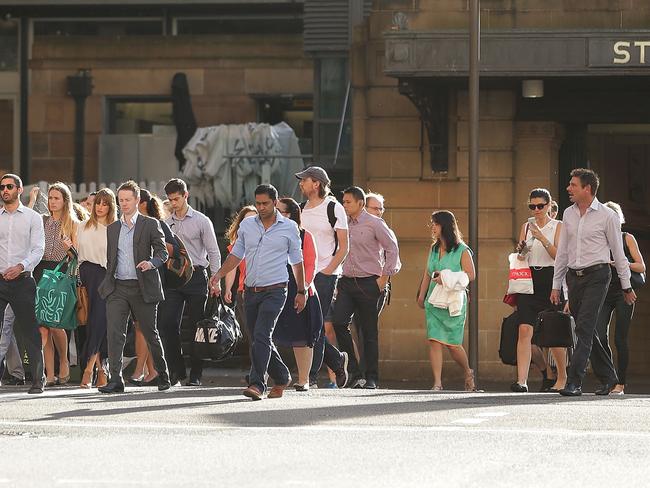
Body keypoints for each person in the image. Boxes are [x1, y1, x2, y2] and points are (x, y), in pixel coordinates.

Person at [209, 184, 306, 401]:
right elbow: (236, 255)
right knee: (258, 339)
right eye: (258, 203)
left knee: (262, 335)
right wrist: (217, 275)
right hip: (251, 291)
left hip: (276, 289)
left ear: (275, 202)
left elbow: (297, 263)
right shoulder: (247, 226)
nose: (261, 207)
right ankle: (282, 376)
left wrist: (302, 290)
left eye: (265, 203)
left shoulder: (289, 228)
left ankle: (257, 384)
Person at [551, 168, 635, 397]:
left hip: (598, 277)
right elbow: (563, 252)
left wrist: (626, 286)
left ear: (587, 189)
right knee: (585, 329)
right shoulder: (568, 214)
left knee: (585, 328)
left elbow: (619, 253)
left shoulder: (607, 216)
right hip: (573, 277)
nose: (568, 188)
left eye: (573, 185)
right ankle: (609, 377)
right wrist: (556, 284)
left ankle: (574, 381)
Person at [98, 180, 171, 393]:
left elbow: (163, 253)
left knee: (150, 332)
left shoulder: (150, 224)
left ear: (137, 200)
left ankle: (163, 374)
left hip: (142, 287)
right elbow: (112, 258)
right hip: (117, 287)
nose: (124, 204)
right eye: (121, 200)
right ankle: (115, 379)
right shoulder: (112, 228)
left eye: (128, 200)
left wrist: (152, 263)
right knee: (115, 334)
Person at [332, 186, 401, 389]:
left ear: (360, 204)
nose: (344, 205)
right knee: (338, 322)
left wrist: (384, 278)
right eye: (343, 202)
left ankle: (371, 377)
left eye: (348, 202)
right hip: (346, 282)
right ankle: (353, 369)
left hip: (369, 283)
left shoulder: (374, 223)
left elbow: (392, 247)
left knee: (368, 332)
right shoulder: (342, 223)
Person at [161, 178, 221, 386]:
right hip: (174, 278)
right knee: (167, 323)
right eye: (170, 200)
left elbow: (213, 251)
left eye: (176, 199)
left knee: (198, 326)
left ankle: (196, 373)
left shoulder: (202, 220)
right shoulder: (166, 223)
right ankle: (176, 371)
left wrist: (216, 279)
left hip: (196, 275)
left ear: (186, 195)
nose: (173, 203)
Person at [296, 166, 350, 388]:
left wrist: (328, 271)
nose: (301, 183)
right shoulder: (301, 209)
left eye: (304, 180)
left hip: (324, 275)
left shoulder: (333, 207)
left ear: (316, 183)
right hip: (304, 274)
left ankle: (310, 377)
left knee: (314, 324)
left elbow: (344, 246)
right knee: (307, 326)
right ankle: (337, 361)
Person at [510, 188, 566, 393]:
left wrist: (542, 237)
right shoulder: (526, 227)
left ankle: (562, 376)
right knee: (524, 328)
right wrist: (523, 248)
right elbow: (522, 257)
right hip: (528, 278)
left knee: (553, 330)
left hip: (551, 277)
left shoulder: (558, 226)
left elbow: (559, 256)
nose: (536, 210)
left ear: (549, 205)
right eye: (532, 206)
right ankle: (522, 380)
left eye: (540, 206)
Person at [416, 210, 476, 391]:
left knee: (453, 344)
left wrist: (447, 278)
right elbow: (428, 273)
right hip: (434, 299)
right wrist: (421, 295)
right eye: (432, 223)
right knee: (434, 339)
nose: (432, 227)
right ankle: (437, 383)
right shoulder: (433, 249)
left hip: (453, 301)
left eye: (435, 223)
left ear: (446, 226)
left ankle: (467, 372)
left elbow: (471, 275)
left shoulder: (462, 250)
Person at [0, 173, 46, 394]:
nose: (5, 190)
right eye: (2, 187)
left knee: (30, 331)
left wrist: (21, 266)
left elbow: (39, 249)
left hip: (23, 280)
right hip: (0, 281)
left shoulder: (32, 217)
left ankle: (38, 379)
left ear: (19, 190)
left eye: (9, 186)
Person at [594, 202, 645, 396]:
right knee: (598, 334)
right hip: (604, 293)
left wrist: (621, 263)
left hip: (625, 291)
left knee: (620, 339)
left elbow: (641, 267)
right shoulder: (598, 240)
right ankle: (610, 378)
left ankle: (621, 383)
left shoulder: (627, 238)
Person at [273, 198, 322, 391]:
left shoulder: (305, 235)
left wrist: (304, 288)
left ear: (291, 214)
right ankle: (262, 377)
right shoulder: (269, 233)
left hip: (299, 288)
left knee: (302, 337)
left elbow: (310, 263)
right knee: (267, 334)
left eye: (279, 211)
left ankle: (304, 380)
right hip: (274, 285)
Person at [128, 189, 175, 386]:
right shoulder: (128, 224)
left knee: (146, 328)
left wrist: (150, 247)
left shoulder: (156, 223)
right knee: (140, 327)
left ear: (143, 203)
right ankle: (151, 371)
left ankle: (142, 370)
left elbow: (170, 249)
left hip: (151, 280)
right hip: (133, 280)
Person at [37, 182, 79, 386]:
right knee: (43, 325)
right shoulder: (42, 221)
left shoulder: (73, 223)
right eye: (50, 198)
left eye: (56, 198)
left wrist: (69, 248)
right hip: (41, 272)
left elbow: (78, 256)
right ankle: (49, 373)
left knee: (56, 324)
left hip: (62, 272)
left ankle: (64, 360)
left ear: (65, 201)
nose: (52, 202)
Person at [76, 188, 117, 388]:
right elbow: (76, 255)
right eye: (97, 203)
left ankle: (89, 368)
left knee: (99, 321)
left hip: (105, 276)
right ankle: (101, 370)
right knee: (90, 322)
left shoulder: (115, 228)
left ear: (111, 206)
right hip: (84, 275)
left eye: (104, 203)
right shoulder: (82, 226)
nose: (100, 207)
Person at [223, 205, 257, 340]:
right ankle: (256, 361)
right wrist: (228, 289)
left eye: (254, 219)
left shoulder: (269, 239)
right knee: (252, 334)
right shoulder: (237, 245)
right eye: (246, 220)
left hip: (268, 290)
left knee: (263, 334)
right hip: (245, 292)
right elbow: (231, 268)